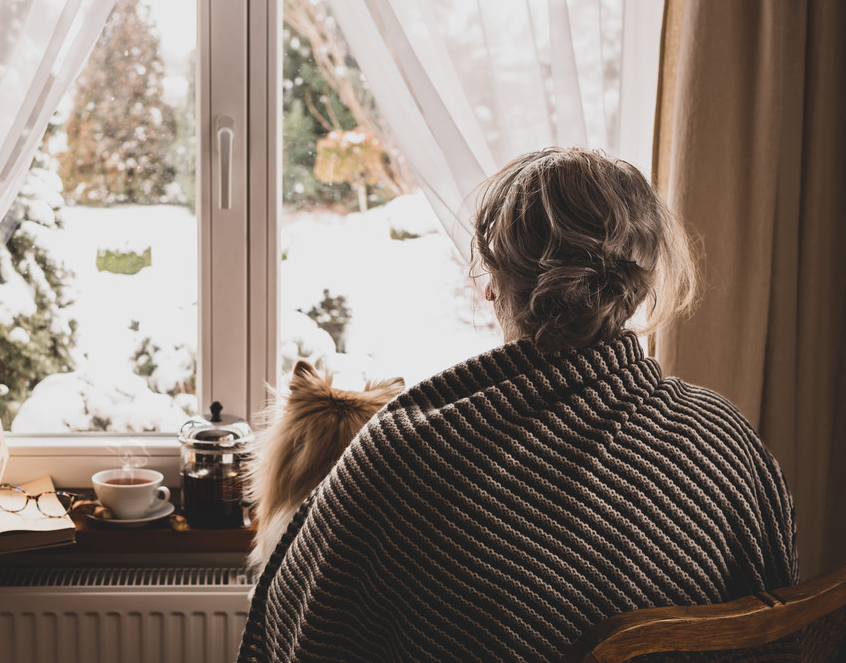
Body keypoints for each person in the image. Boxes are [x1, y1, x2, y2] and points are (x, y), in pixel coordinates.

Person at [237, 147, 798, 662]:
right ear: (641, 281)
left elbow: (306, 640)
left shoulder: (409, 454)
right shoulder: (723, 435)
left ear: (492, 281)